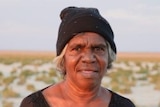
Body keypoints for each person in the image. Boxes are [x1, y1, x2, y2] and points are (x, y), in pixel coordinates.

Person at [20, 6, 135, 107]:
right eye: (77, 49)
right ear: (63, 58)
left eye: (98, 49)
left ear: (109, 57)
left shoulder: (124, 105)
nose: (88, 58)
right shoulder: (33, 105)